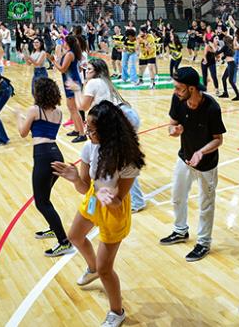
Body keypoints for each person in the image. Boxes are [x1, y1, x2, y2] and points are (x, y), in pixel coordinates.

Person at [51, 101, 145, 327]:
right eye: (87, 126)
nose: (86, 131)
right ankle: (91, 268)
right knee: (74, 236)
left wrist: (110, 199)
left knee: (106, 269)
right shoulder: (89, 147)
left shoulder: (128, 159)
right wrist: (75, 179)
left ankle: (117, 311)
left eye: (91, 129)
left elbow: (119, 200)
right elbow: (85, 187)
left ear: (107, 131)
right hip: (94, 199)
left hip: (114, 210)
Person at [160, 67, 226, 262]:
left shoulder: (211, 108)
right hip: (185, 157)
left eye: (179, 88)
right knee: (177, 196)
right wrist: (174, 131)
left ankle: (204, 243)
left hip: (206, 164)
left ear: (192, 88)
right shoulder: (178, 100)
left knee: (206, 204)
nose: (175, 91)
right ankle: (180, 230)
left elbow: (218, 140)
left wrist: (201, 152)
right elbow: (171, 125)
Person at [67, 58, 147, 212]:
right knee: (124, 159)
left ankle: (135, 201)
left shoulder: (93, 83)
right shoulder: (105, 81)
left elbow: (82, 106)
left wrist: (77, 90)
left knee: (121, 160)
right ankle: (131, 197)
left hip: (117, 121)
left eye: (89, 69)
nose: (86, 71)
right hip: (126, 116)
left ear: (96, 71)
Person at [16, 77, 74, 257]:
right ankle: (52, 227)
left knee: (41, 202)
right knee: (45, 197)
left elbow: (23, 133)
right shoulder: (59, 113)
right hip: (56, 154)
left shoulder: (34, 110)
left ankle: (64, 242)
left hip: (42, 157)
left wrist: (19, 116)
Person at [49, 35, 86, 143]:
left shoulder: (70, 54)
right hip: (70, 81)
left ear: (67, 43)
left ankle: (82, 133)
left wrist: (53, 61)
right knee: (71, 108)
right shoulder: (69, 53)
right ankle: (76, 129)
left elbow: (62, 69)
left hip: (72, 82)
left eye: (64, 41)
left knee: (74, 109)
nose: (63, 43)